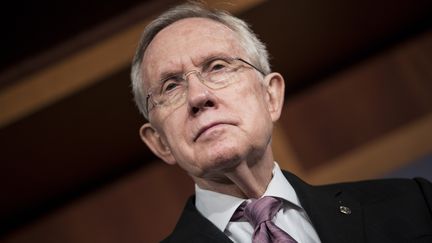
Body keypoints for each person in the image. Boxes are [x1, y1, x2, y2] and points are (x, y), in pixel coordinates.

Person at [130, 2, 432, 243]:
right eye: (171, 86)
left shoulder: (413, 205)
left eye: (217, 66)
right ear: (160, 142)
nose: (198, 96)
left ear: (270, 96)